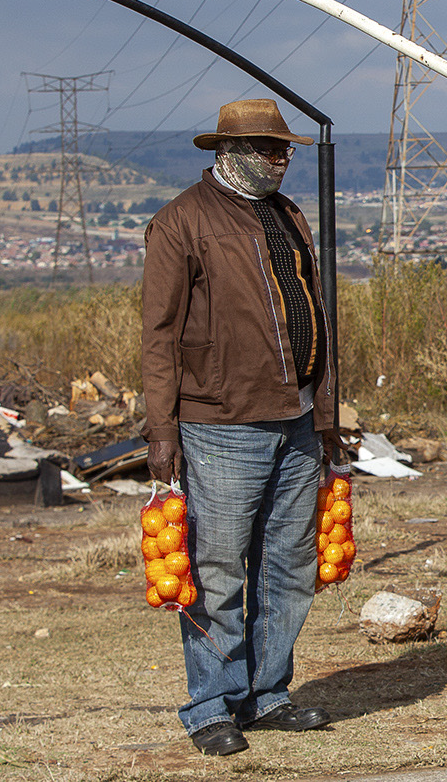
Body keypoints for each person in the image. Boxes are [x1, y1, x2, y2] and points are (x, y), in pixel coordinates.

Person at [141, 98, 341, 756]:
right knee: (218, 571)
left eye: (284, 149)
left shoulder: (287, 215)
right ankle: (211, 705)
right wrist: (161, 430)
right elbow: (159, 333)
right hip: (220, 424)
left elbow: (317, 315)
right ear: (228, 153)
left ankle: (268, 694)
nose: (283, 158)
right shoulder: (181, 223)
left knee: (287, 565)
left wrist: (328, 411)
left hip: (296, 421)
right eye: (269, 148)